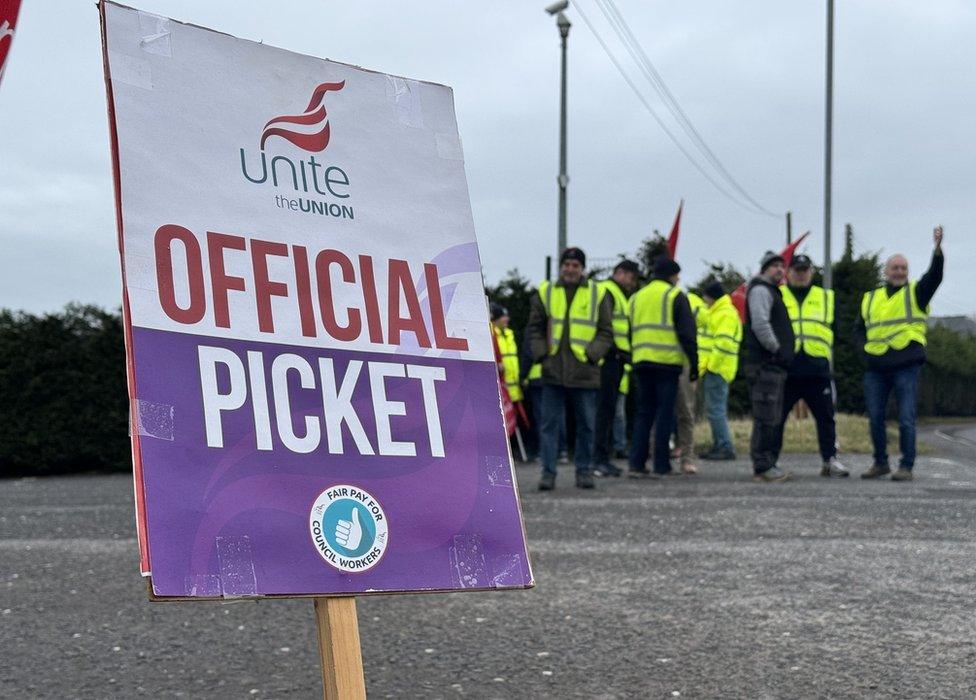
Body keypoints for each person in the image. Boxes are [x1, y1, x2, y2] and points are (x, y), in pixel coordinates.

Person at [857, 226, 944, 481]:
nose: (899, 272)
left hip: (906, 364)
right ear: (886, 272)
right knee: (875, 418)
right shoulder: (870, 298)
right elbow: (859, 330)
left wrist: (937, 251)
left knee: (906, 418)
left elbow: (934, 277)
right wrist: (863, 353)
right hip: (876, 366)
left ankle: (906, 466)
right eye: (895, 268)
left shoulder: (916, 292)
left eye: (903, 268)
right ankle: (880, 463)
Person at [527, 247, 614, 490]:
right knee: (549, 426)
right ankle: (548, 473)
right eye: (567, 264)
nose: (570, 269)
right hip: (553, 370)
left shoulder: (598, 293)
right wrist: (541, 354)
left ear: (582, 268)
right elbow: (534, 327)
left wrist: (592, 355)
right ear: (561, 266)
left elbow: (606, 331)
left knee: (586, 425)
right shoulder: (545, 292)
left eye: (575, 265)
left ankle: (583, 471)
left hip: (584, 371)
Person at [774, 255, 848, 477]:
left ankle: (830, 460)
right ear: (788, 273)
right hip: (787, 368)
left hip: (817, 368)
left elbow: (836, 329)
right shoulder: (778, 295)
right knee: (776, 418)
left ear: (811, 272)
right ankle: (770, 460)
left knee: (826, 418)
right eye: (797, 270)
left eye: (805, 270)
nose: (801, 273)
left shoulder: (825, 297)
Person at [628, 257, 698, 478]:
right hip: (667, 363)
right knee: (664, 414)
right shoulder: (675, 296)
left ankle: (636, 464)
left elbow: (630, 330)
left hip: (640, 361)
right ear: (671, 275)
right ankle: (661, 465)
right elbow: (687, 334)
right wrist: (694, 364)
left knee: (643, 413)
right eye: (677, 276)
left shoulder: (637, 297)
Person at [744, 251, 795, 482]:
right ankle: (763, 466)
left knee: (771, 416)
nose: (780, 270)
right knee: (766, 417)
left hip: (773, 367)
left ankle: (767, 463)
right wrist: (777, 349)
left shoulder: (772, 292)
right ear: (765, 269)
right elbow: (761, 324)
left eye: (782, 267)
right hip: (765, 365)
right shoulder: (761, 290)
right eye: (774, 266)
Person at [592, 260, 639, 477]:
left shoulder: (616, 292)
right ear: (620, 273)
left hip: (615, 358)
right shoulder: (609, 291)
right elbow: (607, 326)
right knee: (605, 411)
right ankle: (599, 459)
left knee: (607, 411)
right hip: (610, 358)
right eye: (631, 277)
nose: (632, 283)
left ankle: (602, 458)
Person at [697, 280, 741, 461]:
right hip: (717, 368)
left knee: (715, 410)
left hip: (718, 369)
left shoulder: (725, 314)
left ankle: (724, 446)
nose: (704, 301)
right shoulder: (721, 312)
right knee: (714, 409)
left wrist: (711, 366)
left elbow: (723, 343)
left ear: (711, 297)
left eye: (706, 297)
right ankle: (720, 445)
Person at [672, 291, 708, 474]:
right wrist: (695, 367)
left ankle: (657, 457)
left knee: (655, 414)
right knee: (686, 413)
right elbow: (689, 336)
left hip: (656, 364)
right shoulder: (683, 299)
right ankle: (687, 458)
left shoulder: (645, 296)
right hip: (680, 363)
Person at [491, 303, 523, 405]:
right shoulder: (491, 334)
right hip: (502, 386)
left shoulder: (510, 334)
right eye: (503, 316)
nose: (507, 319)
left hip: (514, 389)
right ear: (495, 319)